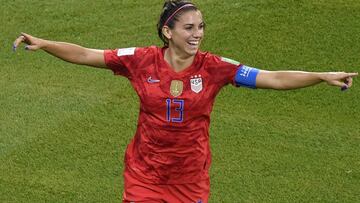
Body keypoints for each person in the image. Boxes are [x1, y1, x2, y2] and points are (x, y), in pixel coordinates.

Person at [13, 0, 357, 202]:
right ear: (168, 31)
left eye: (201, 27)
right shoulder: (140, 59)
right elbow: (89, 55)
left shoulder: (215, 68)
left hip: (190, 180)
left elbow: (273, 77)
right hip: (144, 175)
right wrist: (45, 43)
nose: (198, 34)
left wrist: (319, 76)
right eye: (189, 28)